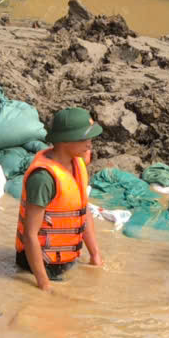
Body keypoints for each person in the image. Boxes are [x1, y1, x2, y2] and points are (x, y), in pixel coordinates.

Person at [16, 107, 104, 290]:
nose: (90, 144)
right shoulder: (43, 179)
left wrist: (95, 255)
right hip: (40, 266)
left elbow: (82, 210)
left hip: (67, 260)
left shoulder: (77, 163)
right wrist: (43, 284)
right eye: (84, 139)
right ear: (64, 141)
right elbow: (30, 234)